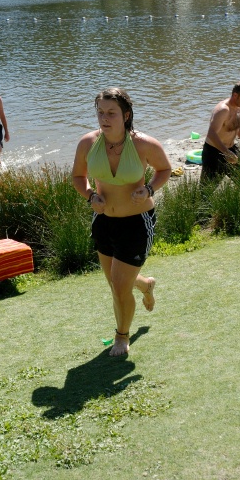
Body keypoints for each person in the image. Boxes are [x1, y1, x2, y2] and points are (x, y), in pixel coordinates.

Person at [72, 88, 172, 357]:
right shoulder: (88, 143)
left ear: (126, 115)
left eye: (111, 113)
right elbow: (78, 177)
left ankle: (121, 336)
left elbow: (165, 169)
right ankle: (145, 285)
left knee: (118, 285)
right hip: (104, 221)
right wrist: (90, 195)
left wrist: (149, 189)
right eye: (101, 112)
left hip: (137, 223)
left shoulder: (143, 144)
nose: (104, 118)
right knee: (116, 284)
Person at [200, 81, 240, 182]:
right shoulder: (223, 110)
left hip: (231, 149)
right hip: (214, 152)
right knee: (206, 190)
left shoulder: (239, 107)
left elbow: (236, 126)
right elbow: (211, 133)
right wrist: (226, 152)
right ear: (235, 95)